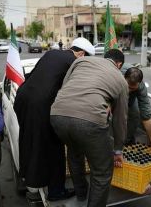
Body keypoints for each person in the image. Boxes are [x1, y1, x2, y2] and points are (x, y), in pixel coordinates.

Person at [13, 37, 95, 201]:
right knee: (55, 148)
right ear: (80, 53)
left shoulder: (52, 54)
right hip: (40, 105)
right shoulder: (74, 61)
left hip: (23, 99)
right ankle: (56, 191)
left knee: (30, 141)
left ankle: (28, 181)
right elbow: (76, 90)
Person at [50, 49, 129, 207]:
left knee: (74, 154)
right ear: (119, 64)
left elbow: (65, 86)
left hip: (57, 114)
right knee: (102, 172)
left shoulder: (81, 61)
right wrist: (118, 150)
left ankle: (81, 194)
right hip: (90, 121)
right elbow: (120, 120)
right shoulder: (121, 80)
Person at [120, 65, 151, 146]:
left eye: (133, 89)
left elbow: (146, 115)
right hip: (115, 97)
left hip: (131, 101)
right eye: (128, 87)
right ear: (124, 79)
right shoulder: (116, 79)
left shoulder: (141, 87)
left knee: (135, 114)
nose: (129, 91)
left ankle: (126, 140)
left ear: (139, 83)